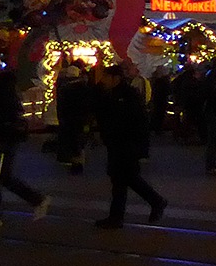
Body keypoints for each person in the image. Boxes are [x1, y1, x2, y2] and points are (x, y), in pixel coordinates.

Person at [92, 64, 167, 229]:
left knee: (125, 178)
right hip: (117, 143)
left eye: (106, 77)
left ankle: (154, 202)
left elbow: (136, 122)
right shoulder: (110, 93)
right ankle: (118, 216)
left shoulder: (128, 95)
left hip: (126, 144)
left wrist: (141, 147)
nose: (103, 80)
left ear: (116, 79)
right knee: (121, 180)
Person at [0, 52, 51, 226]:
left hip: (3, 137)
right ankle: (35, 200)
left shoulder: (1, 88)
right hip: (3, 135)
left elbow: (2, 115)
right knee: (0, 176)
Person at [54, 63, 94, 174]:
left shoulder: (65, 88)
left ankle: (73, 161)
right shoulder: (85, 88)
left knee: (71, 140)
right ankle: (79, 161)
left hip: (69, 119)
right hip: (81, 120)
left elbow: (62, 106)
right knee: (79, 141)